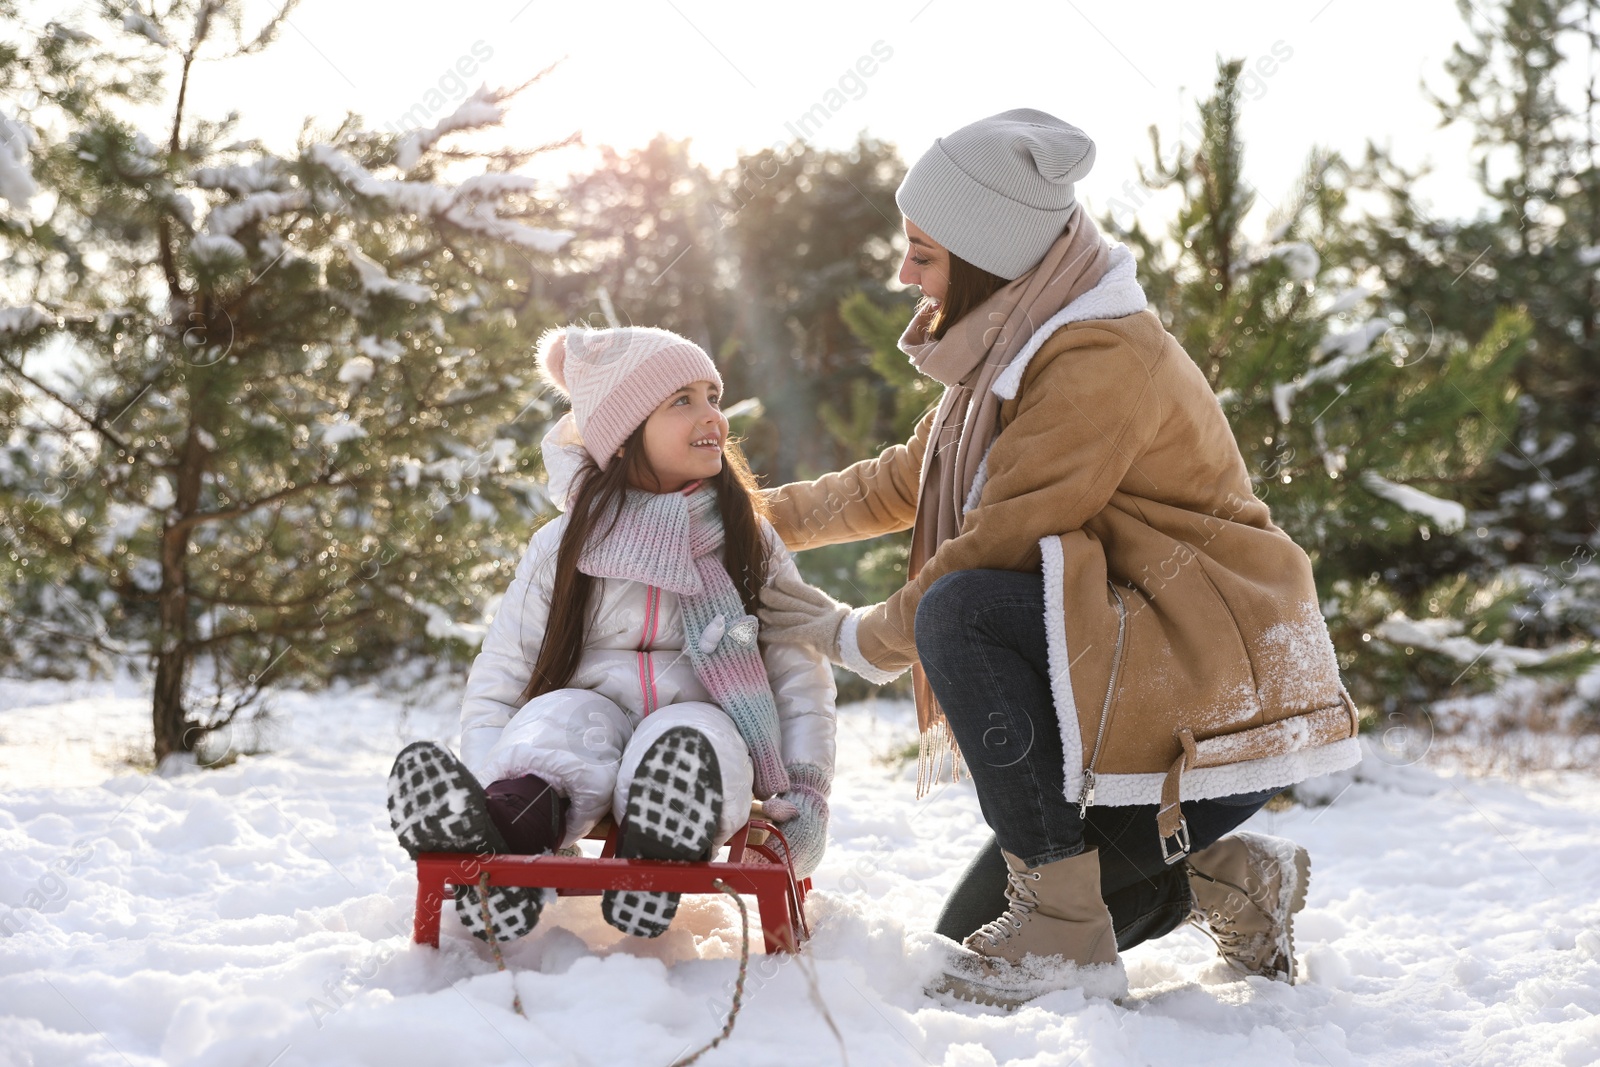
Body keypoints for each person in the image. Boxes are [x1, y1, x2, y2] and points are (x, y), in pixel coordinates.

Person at [757, 109, 1361, 1007]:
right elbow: (901, 482)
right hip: (1134, 684)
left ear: (988, 253)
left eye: (922, 251)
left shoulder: (1100, 354)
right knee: (962, 931)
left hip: (1213, 699)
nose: (902, 271)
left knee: (957, 607)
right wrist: (738, 515)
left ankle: (1071, 927)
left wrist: (859, 636)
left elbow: (998, 533)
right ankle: (1232, 876)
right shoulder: (1014, 345)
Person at [386, 326, 837, 943]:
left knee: (690, 740)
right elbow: (501, 678)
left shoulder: (745, 537)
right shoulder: (563, 544)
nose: (713, 416)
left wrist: (806, 788)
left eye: (713, 395)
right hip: (590, 716)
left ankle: (666, 834)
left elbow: (797, 673)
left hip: (705, 721)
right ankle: (496, 834)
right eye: (682, 400)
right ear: (624, 437)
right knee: (559, 724)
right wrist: (490, 771)